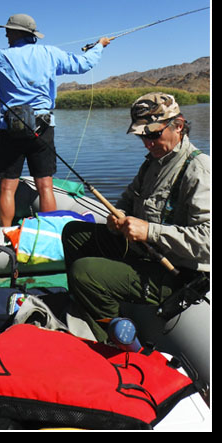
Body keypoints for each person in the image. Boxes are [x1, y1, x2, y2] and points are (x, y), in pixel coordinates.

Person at [0, 13, 111, 226]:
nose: (5, 34)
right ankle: (49, 231)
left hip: (10, 128)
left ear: (17, 32)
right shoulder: (50, 53)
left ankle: (5, 234)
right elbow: (84, 64)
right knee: (45, 186)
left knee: (7, 187)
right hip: (43, 128)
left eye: (8, 30)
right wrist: (100, 46)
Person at [62, 92, 210, 342]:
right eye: (142, 135)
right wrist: (117, 218)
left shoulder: (199, 170)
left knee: (83, 271)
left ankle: (116, 341)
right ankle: (88, 304)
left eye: (153, 134)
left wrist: (149, 231)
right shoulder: (153, 162)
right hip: (144, 252)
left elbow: (207, 243)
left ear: (179, 126)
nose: (147, 143)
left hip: (179, 274)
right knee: (73, 234)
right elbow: (127, 201)